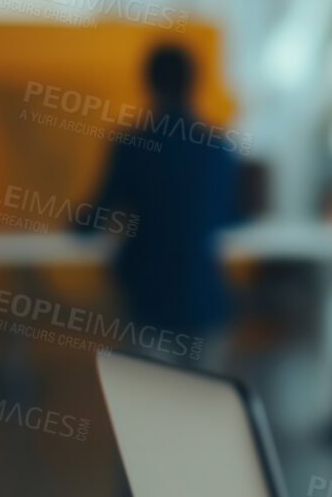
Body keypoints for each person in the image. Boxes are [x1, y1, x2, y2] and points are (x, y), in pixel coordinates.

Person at [84, 43, 241, 367]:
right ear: (195, 82)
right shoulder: (217, 147)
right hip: (203, 293)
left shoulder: (132, 145)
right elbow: (233, 216)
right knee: (205, 403)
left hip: (150, 296)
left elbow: (94, 218)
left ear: (148, 82)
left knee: (153, 405)